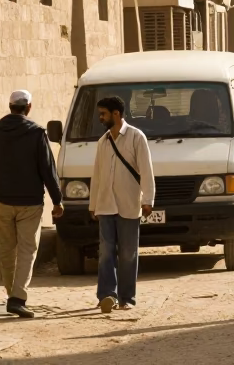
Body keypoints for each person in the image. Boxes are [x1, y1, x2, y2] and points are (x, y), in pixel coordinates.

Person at [0, 89, 63, 318]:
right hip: (30, 203)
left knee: (7, 249)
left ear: (10, 107)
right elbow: (48, 169)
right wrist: (57, 200)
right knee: (27, 250)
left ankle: (12, 295)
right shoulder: (36, 133)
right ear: (29, 107)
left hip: (2, 201)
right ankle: (17, 298)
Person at [89, 95, 155, 313]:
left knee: (128, 253)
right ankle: (107, 295)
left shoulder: (136, 137)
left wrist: (148, 200)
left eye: (103, 114)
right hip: (106, 205)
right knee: (106, 252)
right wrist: (93, 204)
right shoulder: (103, 141)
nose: (100, 118)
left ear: (116, 114)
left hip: (129, 205)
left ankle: (127, 298)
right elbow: (97, 175)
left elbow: (146, 171)